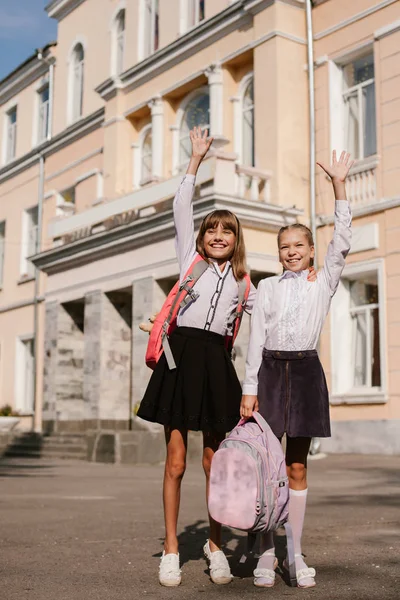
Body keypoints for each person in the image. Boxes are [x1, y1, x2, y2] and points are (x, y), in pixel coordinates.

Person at [137, 127, 258, 587]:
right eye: (212, 230)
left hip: (217, 367)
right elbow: (180, 209)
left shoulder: (246, 284)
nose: (218, 235)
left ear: (236, 239)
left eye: (227, 231)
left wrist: (304, 276)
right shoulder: (190, 259)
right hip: (181, 359)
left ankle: (213, 545)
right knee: (176, 461)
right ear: (202, 237)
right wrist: (195, 162)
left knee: (215, 463)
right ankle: (171, 548)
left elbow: (265, 332)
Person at [240, 150, 353, 589]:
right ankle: (266, 554)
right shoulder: (266, 288)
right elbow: (255, 341)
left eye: (298, 247)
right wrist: (249, 387)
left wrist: (338, 186)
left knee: (296, 467)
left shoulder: (322, 282)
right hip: (269, 374)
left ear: (310, 252)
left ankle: (294, 552)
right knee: (265, 467)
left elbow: (341, 241)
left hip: (305, 375)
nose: (291, 253)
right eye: (284, 247)